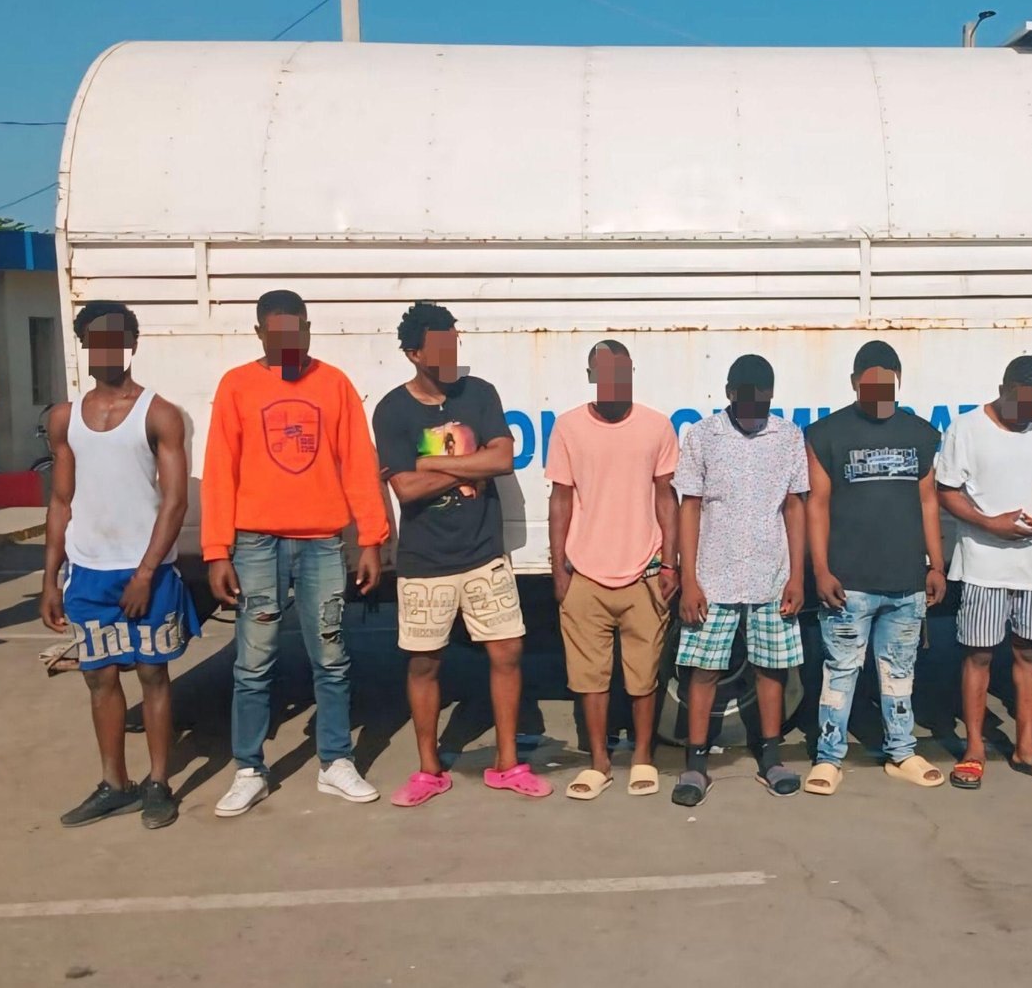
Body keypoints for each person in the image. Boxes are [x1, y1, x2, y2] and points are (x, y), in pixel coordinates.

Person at [202, 289, 390, 817]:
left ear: (308, 330)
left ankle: (336, 761)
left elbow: (359, 464)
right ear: (260, 334)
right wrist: (217, 550)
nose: (289, 343)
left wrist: (371, 539)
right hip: (255, 543)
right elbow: (219, 470)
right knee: (253, 661)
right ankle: (249, 769)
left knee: (330, 656)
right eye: (277, 335)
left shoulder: (334, 384)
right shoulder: (237, 385)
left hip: (322, 542)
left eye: (297, 332)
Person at [372, 302, 550, 807]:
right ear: (414, 353)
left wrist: (432, 462)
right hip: (425, 561)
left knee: (507, 653)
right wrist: (471, 464)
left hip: (484, 553)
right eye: (440, 344)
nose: (451, 352)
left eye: (454, 341)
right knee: (424, 664)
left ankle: (508, 764)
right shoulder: (392, 410)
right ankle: (429, 770)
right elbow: (405, 489)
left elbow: (504, 457)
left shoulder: (479, 393)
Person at [41, 302, 199, 829]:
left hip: (145, 571)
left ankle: (158, 783)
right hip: (88, 571)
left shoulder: (159, 413)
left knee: (153, 674)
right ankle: (114, 784)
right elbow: (60, 501)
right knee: (99, 678)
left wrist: (146, 573)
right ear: (85, 344)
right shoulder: (64, 419)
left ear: (131, 343)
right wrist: (50, 578)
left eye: (115, 337)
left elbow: (175, 502)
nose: (106, 347)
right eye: (95, 338)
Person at [803, 340, 946, 795]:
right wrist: (821, 570)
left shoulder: (921, 434)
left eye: (888, 385)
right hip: (849, 583)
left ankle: (901, 752)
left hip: (906, 582)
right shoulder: (825, 434)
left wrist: (936, 565)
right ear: (853, 383)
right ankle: (828, 758)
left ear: (899, 382)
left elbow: (928, 502)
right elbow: (816, 505)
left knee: (899, 671)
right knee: (840, 671)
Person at [670, 354, 808, 806]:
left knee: (771, 668)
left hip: (772, 574)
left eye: (762, 403)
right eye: (747, 403)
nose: (754, 413)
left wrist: (797, 576)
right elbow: (690, 506)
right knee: (704, 669)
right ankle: (695, 766)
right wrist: (689, 579)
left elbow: (794, 506)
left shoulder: (788, 437)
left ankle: (771, 759)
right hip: (714, 576)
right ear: (729, 393)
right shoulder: (703, 436)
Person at [547, 340, 679, 800]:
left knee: (644, 676)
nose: (613, 383)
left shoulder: (656, 426)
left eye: (620, 373)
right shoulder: (568, 427)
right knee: (590, 677)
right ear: (591, 376)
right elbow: (561, 500)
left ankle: (642, 757)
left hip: (645, 572)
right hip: (585, 573)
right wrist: (559, 569)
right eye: (603, 374)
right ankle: (599, 763)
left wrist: (670, 563)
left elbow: (667, 498)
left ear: (631, 373)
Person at [937, 355, 1032, 790]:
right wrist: (989, 523)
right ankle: (974, 748)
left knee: (1029, 655)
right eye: (1019, 404)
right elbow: (946, 492)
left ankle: (1026, 746)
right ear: (1002, 390)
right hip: (983, 565)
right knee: (978, 656)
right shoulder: (966, 428)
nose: (1026, 414)